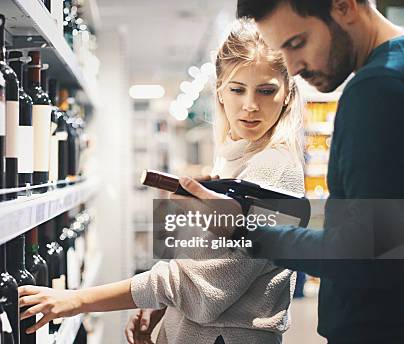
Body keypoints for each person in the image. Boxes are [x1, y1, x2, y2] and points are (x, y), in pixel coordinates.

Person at [17, 19, 306, 344]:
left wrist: (76, 300)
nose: (250, 105)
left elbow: (204, 288)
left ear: (287, 94)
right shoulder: (235, 157)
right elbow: (202, 261)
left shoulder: (274, 169)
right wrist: (160, 307)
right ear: (221, 92)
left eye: (266, 90)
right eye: (238, 89)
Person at [178, 0, 404, 342]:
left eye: (297, 43)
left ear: (344, 7)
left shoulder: (376, 89)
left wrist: (244, 228)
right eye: (283, 50)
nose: (294, 68)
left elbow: (369, 249)